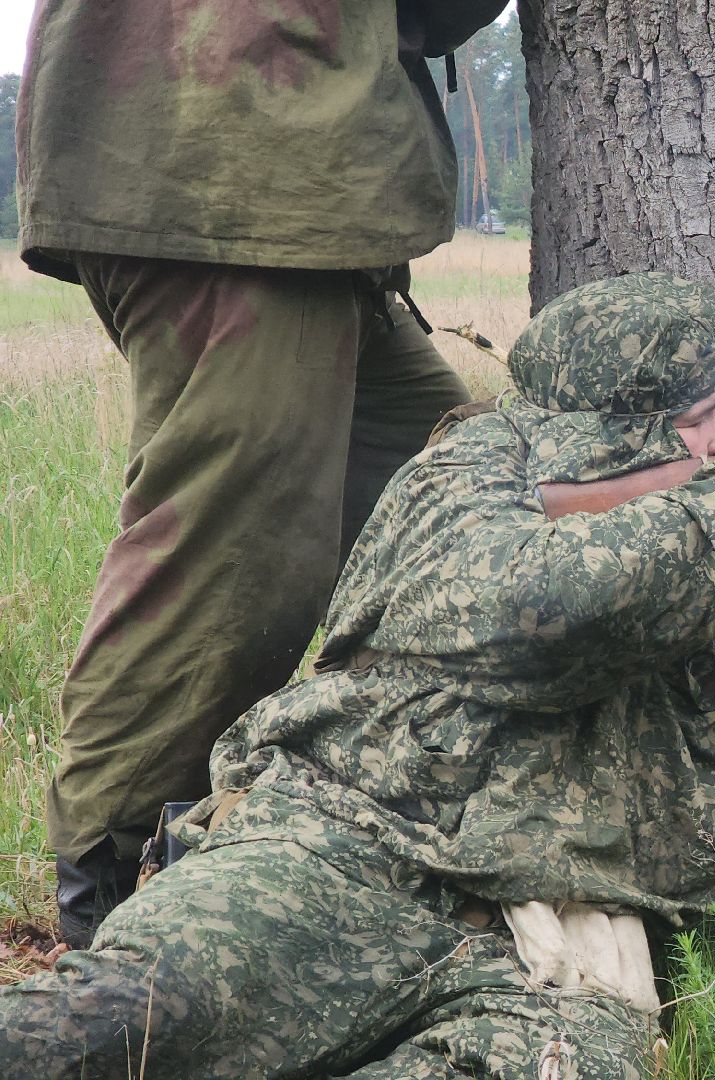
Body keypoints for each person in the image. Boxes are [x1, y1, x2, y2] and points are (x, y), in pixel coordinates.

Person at [0, 273, 715, 1079]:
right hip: (335, 854)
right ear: (609, 437)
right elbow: (527, 608)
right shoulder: (469, 471)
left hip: (553, 942)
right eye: (696, 422)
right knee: (113, 1019)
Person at [15, 0, 511, 946]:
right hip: (237, 171)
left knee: (459, 505)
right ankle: (111, 906)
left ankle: (397, 831)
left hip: (255, 170)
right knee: (232, 562)